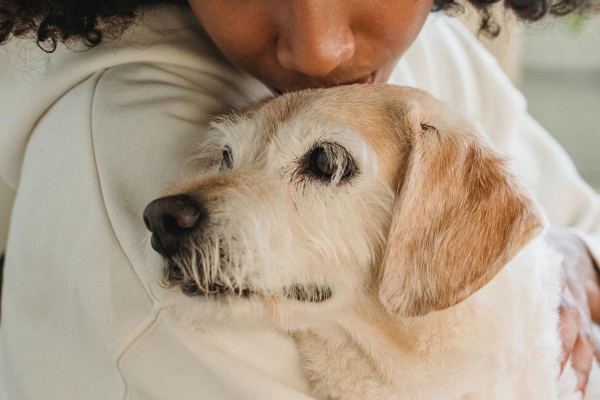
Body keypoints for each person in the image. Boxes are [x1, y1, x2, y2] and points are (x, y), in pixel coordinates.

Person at [0, 0, 599, 398]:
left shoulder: (439, 52)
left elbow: (580, 221)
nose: (320, 52)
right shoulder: (132, 139)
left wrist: (568, 257)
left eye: (324, 163)